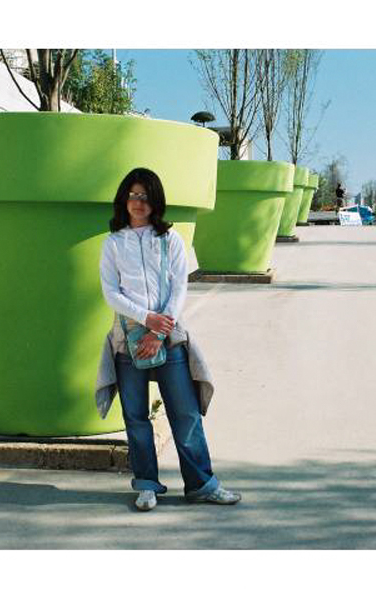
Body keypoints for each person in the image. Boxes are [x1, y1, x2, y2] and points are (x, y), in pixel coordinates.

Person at [96, 167, 241, 512]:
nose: (138, 202)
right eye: (133, 195)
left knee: (185, 413)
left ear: (156, 201)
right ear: (123, 199)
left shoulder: (170, 239)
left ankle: (202, 484)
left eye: (145, 196)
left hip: (168, 339)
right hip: (128, 341)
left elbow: (179, 287)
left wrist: (158, 331)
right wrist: (146, 319)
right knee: (136, 417)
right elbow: (111, 293)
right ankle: (147, 485)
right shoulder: (113, 243)